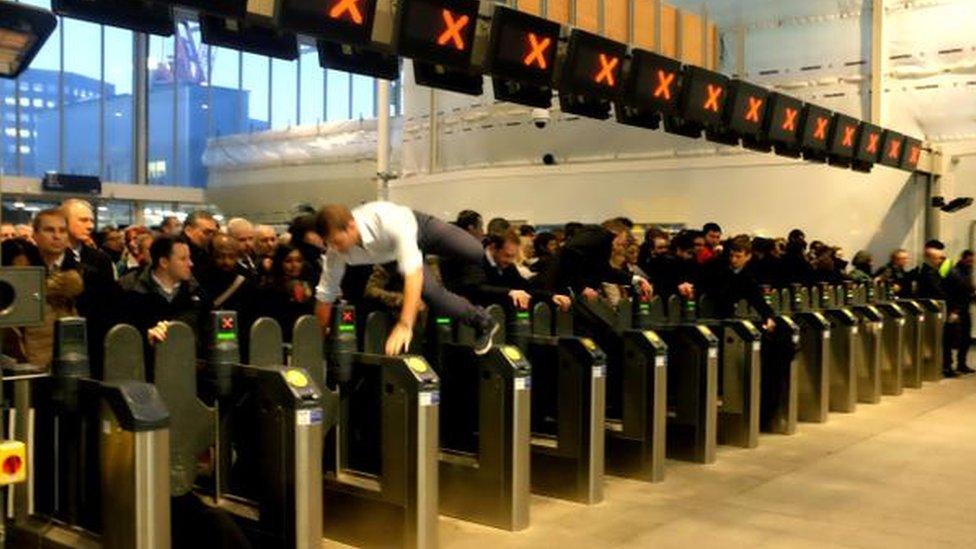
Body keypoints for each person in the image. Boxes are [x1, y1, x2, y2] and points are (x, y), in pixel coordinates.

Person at [314, 202, 499, 356]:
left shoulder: (386, 222)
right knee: (432, 294)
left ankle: (444, 275)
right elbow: (325, 296)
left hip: (420, 228)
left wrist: (405, 324)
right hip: (392, 256)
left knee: (475, 252)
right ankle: (482, 321)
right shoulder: (335, 252)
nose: (335, 248)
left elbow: (414, 275)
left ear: (351, 226)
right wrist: (320, 338)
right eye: (330, 243)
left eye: (337, 242)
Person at [0, 219, 83, 367]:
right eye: (16, 272)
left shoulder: (53, 297)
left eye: (28, 272)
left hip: (48, 370)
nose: (22, 279)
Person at [444, 229, 572, 312]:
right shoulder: (473, 257)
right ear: (493, 248)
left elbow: (525, 288)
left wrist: (552, 296)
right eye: (507, 255)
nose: (511, 260)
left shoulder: (508, 266)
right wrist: (510, 292)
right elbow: (475, 288)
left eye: (513, 256)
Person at [119, 235, 207, 346]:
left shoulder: (196, 292)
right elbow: (119, 335)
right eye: (183, 259)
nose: (190, 264)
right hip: (143, 360)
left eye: (189, 258)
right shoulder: (129, 288)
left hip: (186, 359)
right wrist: (145, 337)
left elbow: (206, 333)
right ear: (164, 262)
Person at [537, 219, 652, 302]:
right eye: (624, 239)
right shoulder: (602, 236)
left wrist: (634, 279)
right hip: (557, 291)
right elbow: (570, 251)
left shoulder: (598, 245)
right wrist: (580, 287)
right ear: (618, 234)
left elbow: (604, 271)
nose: (624, 245)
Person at [700, 235, 776, 330]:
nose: (733, 260)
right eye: (731, 255)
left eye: (738, 256)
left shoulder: (747, 276)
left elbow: (757, 299)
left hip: (726, 318)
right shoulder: (716, 268)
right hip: (709, 316)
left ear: (748, 256)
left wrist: (768, 317)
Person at [258, 243, 315, 342]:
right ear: (279, 262)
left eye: (299, 260)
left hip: (306, 337)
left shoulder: (309, 285)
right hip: (279, 340)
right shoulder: (270, 288)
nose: (295, 265)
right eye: (288, 261)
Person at [944, 250, 976, 376]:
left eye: (972, 261)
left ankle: (961, 364)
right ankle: (948, 366)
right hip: (955, 310)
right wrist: (954, 310)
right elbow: (954, 292)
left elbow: (967, 290)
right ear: (963, 259)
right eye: (969, 260)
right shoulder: (954, 272)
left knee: (965, 339)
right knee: (951, 338)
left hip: (964, 308)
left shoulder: (967, 271)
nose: (971, 263)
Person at [181, 210, 219, 278]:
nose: (211, 237)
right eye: (207, 232)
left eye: (214, 233)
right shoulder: (175, 252)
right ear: (188, 231)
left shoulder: (209, 250)